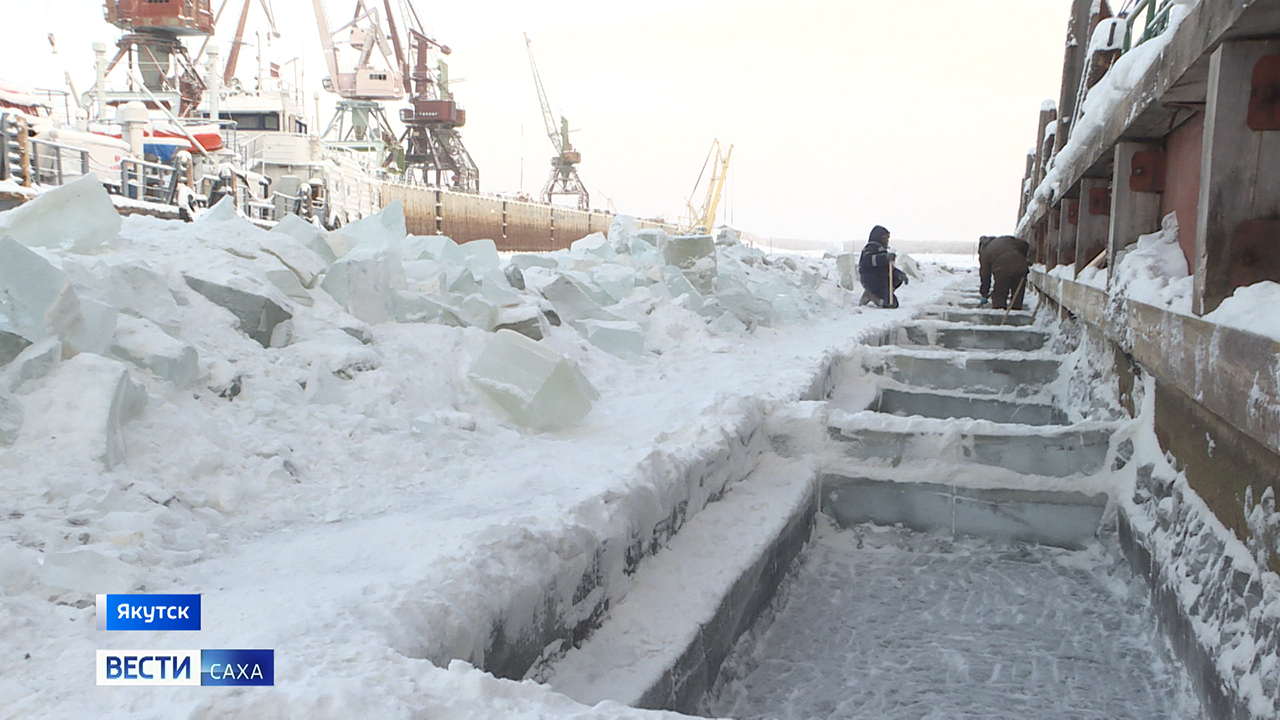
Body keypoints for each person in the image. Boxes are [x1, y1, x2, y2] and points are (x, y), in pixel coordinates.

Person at [859, 225, 907, 308]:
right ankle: (872, 296)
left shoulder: (882, 249)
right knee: (890, 304)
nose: (887, 241)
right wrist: (885, 258)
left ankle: (884, 293)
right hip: (872, 279)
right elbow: (869, 261)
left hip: (881, 280)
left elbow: (888, 268)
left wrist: (899, 274)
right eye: (886, 238)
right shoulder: (871, 247)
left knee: (897, 279)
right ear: (880, 237)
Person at [979, 234, 1031, 310]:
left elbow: (985, 276)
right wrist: (1023, 258)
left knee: (999, 296)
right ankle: (1016, 314)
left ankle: (999, 316)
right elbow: (1024, 244)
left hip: (1002, 271)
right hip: (1021, 268)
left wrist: (984, 293)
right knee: (1017, 295)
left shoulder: (985, 252)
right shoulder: (1005, 239)